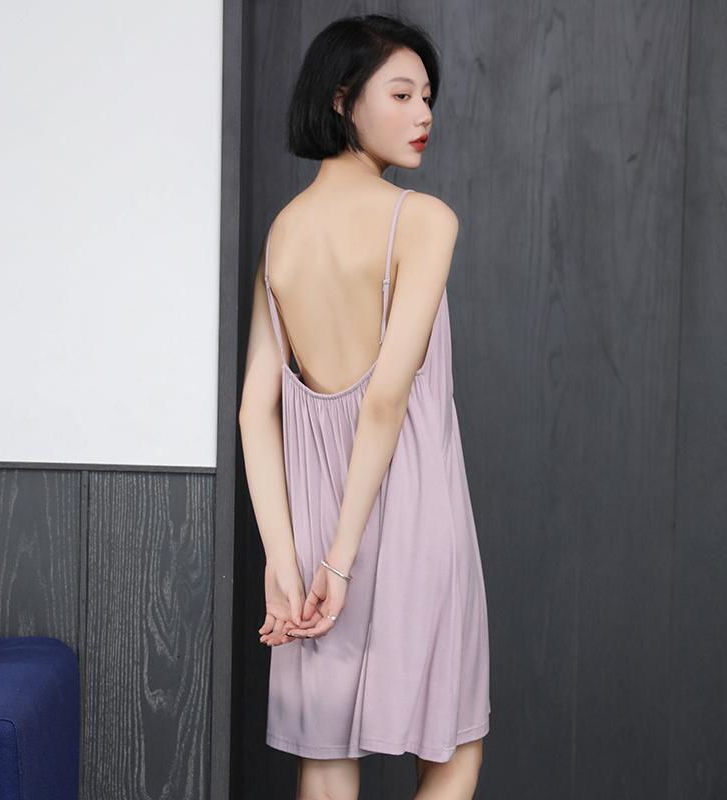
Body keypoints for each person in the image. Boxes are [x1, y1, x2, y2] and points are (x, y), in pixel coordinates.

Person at [239, 13, 490, 800]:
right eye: (403, 94)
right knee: (452, 749)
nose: (424, 114)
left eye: (428, 97)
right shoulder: (424, 220)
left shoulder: (283, 234)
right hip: (411, 517)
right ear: (343, 99)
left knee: (324, 756)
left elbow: (254, 410)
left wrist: (285, 562)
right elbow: (385, 398)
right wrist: (340, 562)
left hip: (312, 525)